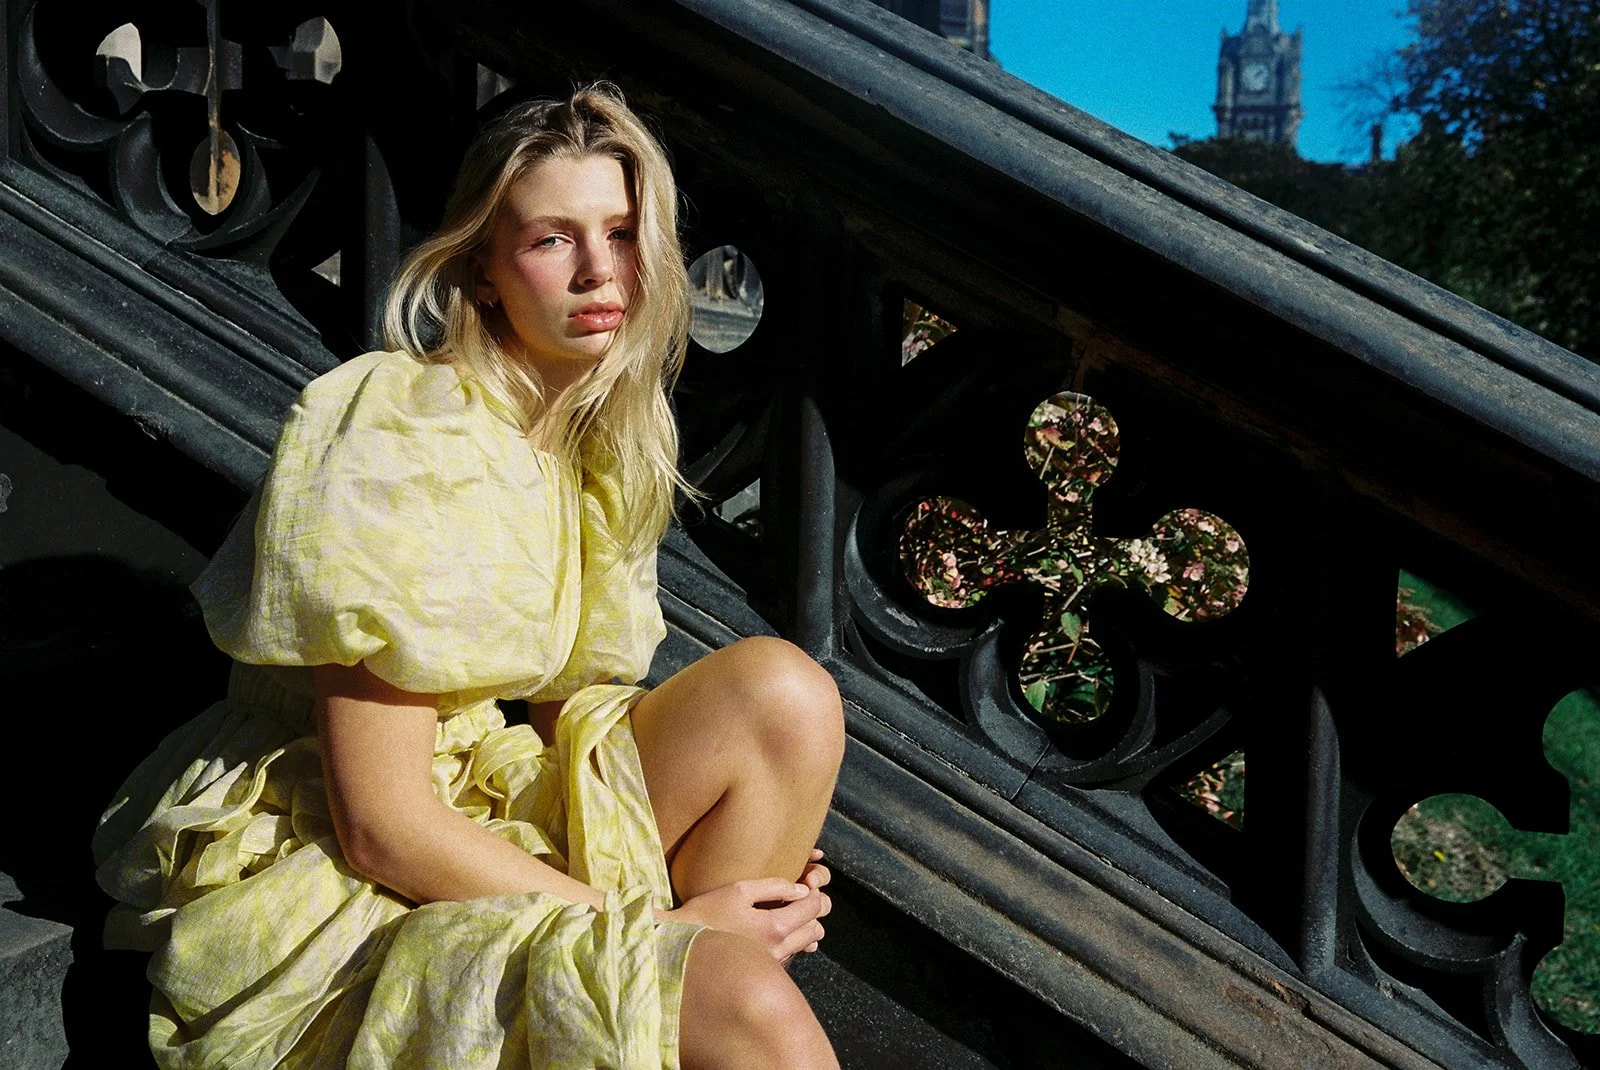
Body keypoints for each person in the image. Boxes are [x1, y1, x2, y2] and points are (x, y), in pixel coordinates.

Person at [92, 82, 845, 1069]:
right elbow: (380, 825)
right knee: (739, 990)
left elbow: (573, 722)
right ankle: (707, 989)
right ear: (483, 270)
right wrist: (661, 928)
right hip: (335, 859)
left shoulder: (601, 438)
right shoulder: (397, 430)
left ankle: (688, 998)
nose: (598, 270)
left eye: (621, 233)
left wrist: (735, 876)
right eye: (552, 239)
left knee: (786, 698)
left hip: (492, 792)